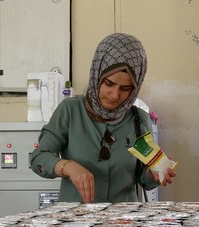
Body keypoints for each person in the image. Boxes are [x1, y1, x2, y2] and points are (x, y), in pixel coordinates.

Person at [30, 33, 176, 203]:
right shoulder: (70, 111)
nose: (115, 95)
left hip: (123, 222)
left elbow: (142, 179)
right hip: (76, 222)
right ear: (97, 75)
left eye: (125, 88)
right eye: (109, 84)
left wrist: (152, 174)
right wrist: (68, 167)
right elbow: (39, 157)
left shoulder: (139, 119)